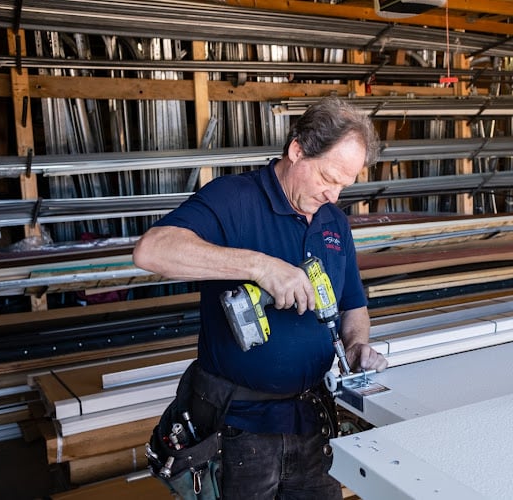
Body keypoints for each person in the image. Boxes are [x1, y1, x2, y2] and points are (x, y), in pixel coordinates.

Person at [133, 96, 388, 499]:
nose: (334, 195)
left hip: (314, 426)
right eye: (327, 177)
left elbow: (353, 307)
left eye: (344, 184)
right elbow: (152, 251)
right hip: (239, 433)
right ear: (297, 150)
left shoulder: (335, 224)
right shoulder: (234, 199)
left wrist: (358, 346)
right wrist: (260, 267)